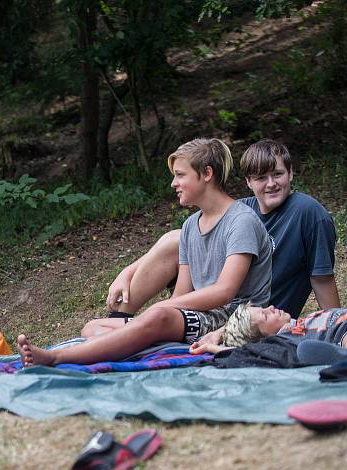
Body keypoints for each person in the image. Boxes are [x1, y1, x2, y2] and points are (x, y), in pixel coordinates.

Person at [18, 138, 272, 366]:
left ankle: (56, 357)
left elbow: (224, 291)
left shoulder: (241, 221)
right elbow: (183, 293)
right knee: (92, 327)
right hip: (203, 317)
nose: (174, 183)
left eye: (180, 175)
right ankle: (148, 341)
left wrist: (159, 311)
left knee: (157, 316)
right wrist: (157, 315)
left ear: (206, 173)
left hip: (236, 318)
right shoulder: (190, 226)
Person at [106, 139, 339, 320]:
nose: (271, 184)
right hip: (214, 306)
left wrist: (337, 328)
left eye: (277, 174)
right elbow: (185, 242)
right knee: (175, 238)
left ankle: (129, 327)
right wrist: (126, 272)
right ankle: (119, 318)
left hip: (257, 315)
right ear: (248, 181)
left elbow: (322, 279)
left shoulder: (308, 213)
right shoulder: (242, 209)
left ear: (291, 174)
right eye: (260, 177)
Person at [190, 304, 347, 358]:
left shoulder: (299, 323)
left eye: (264, 309)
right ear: (264, 340)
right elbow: (246, 352)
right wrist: (211, 348)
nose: (270, 308)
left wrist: (219, 332)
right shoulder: (283, 341)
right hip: (341, 335)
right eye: (265, 316)